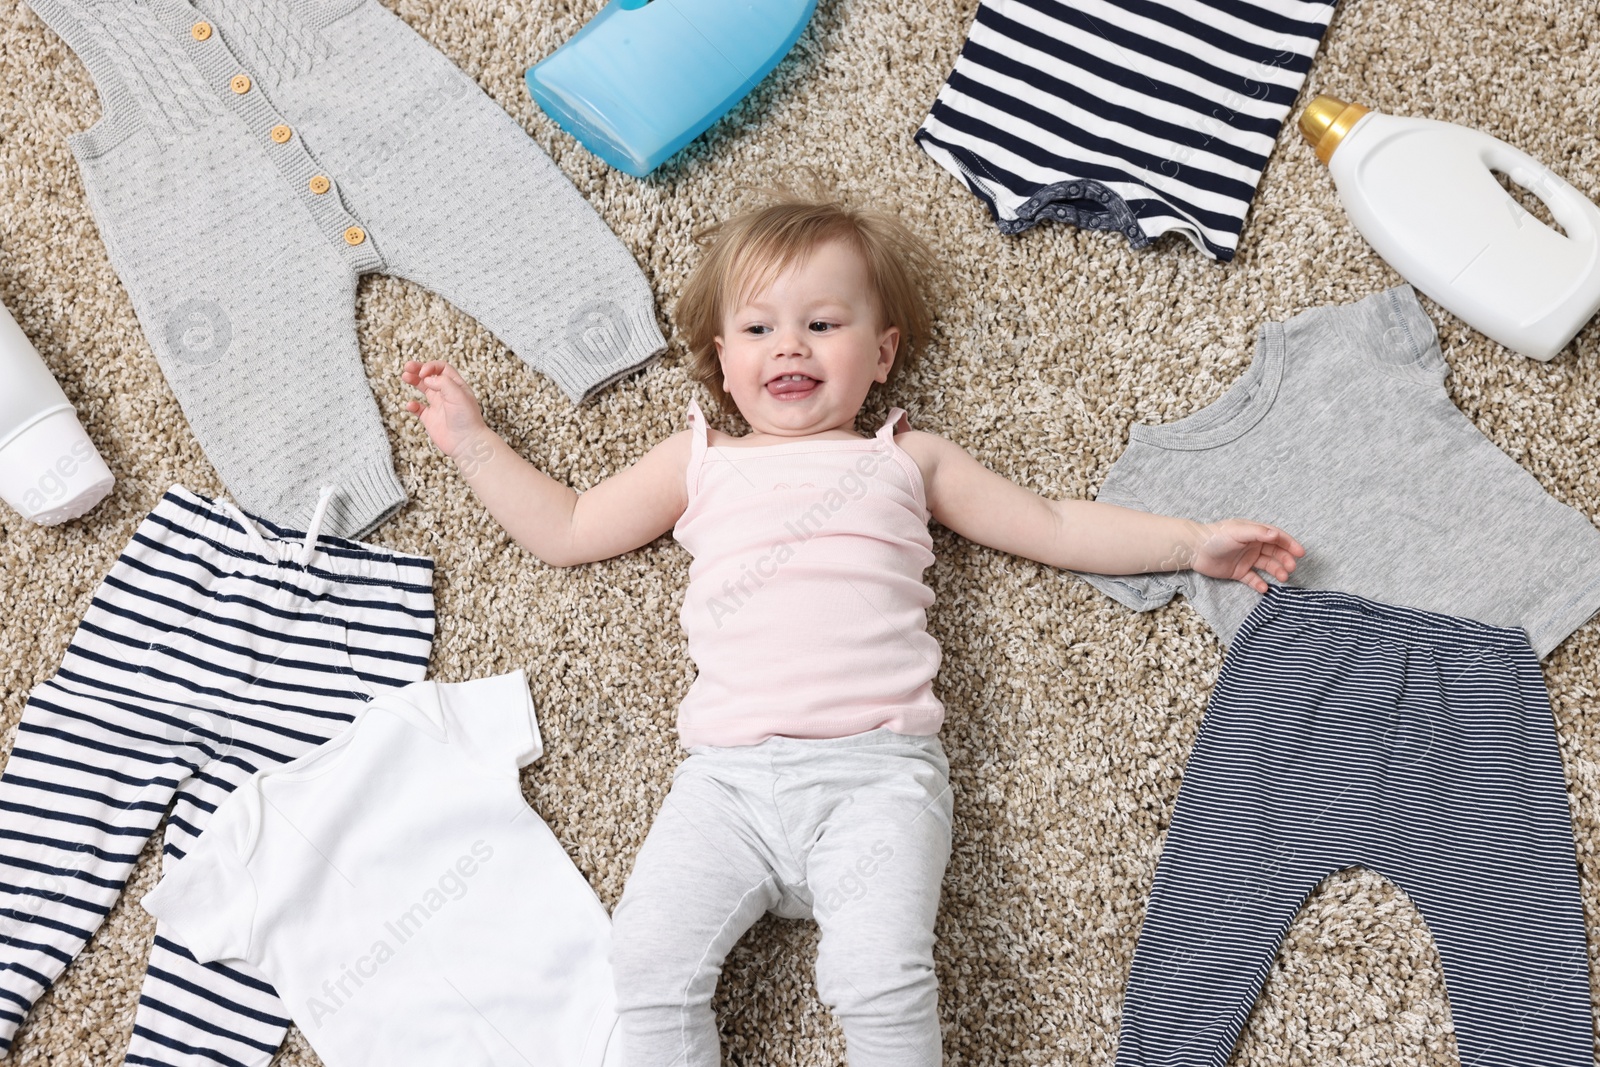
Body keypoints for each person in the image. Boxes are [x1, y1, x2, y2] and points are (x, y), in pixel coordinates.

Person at [401, 191, 1304, 1067]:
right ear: (721, 359)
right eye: (758, 329)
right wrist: (473, 441)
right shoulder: (699, 460)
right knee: (643, 961)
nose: (789, 344)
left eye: (824, 324)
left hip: (877, 778)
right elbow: (566, 529)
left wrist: (1191, 543)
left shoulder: (905, 458)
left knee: (880, 976)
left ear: (882, 353)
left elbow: (1057, 525)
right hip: (726, 786)